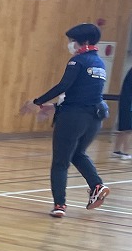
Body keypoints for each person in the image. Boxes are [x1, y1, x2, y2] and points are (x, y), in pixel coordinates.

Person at [19, 22, 110, 218]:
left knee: (60, 162)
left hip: (73, 118)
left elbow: (63, 86)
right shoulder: (99, 63)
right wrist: (54, 107)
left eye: (72, 41)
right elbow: (84, 94)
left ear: (82, 41)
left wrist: (37, 102)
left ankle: (59, 204)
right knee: (78, 153)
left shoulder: (77, 62)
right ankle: (96, 185)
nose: (70, 44)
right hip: (94, 118)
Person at [113, 63, 131, 159]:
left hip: (125, 101)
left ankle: (117, 150)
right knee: (128, 129)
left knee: (123, 127)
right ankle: (125, 152)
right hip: (129, 102)